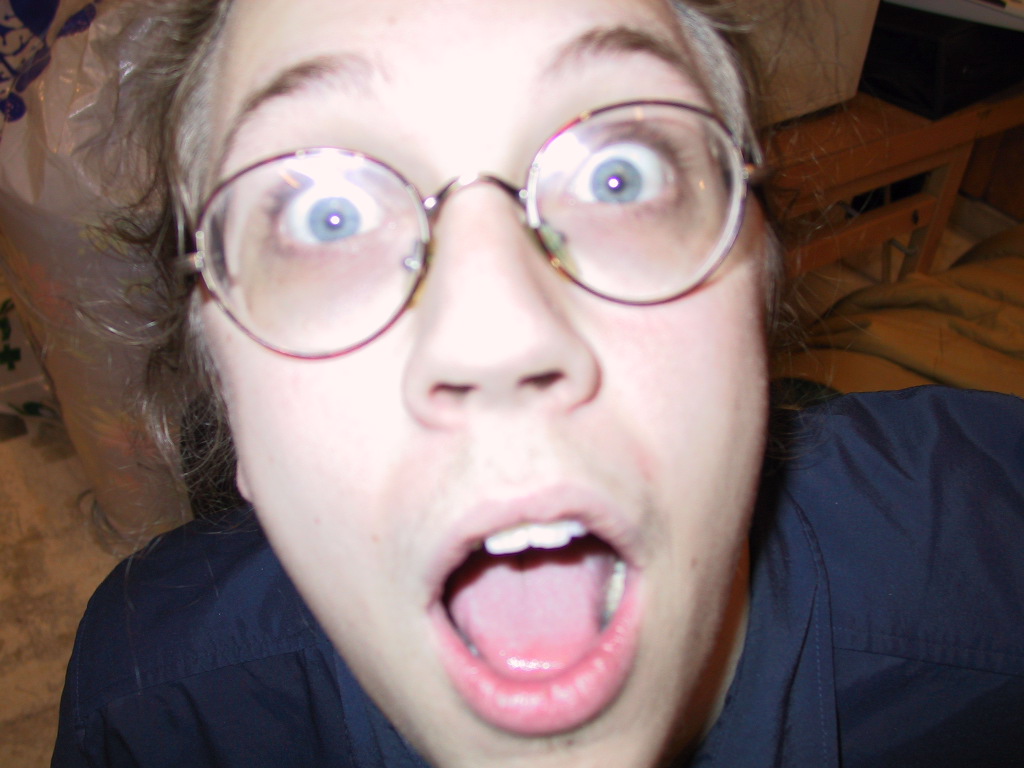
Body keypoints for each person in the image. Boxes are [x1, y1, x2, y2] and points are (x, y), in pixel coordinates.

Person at [51, 0, 1024, 766]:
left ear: (756, 288)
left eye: (618, 176)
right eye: (326, 217)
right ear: (226, 396)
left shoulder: (993, 586)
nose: (496, 334)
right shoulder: (152, 712)